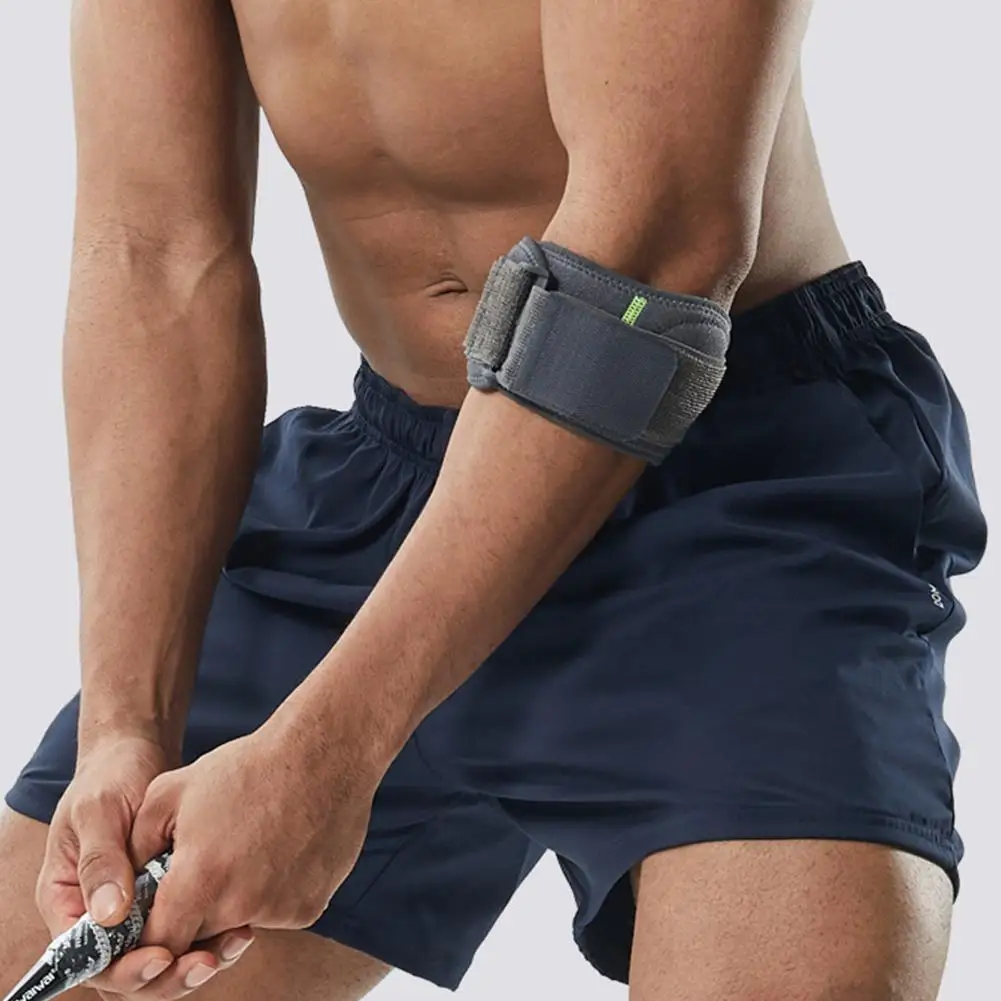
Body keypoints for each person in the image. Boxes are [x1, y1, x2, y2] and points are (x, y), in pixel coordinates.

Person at [0, 1, 987, 999]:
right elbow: (154, 253)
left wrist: (328, 748)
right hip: (395, 479)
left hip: (732, 486)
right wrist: (123, 727)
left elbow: (652, 254)